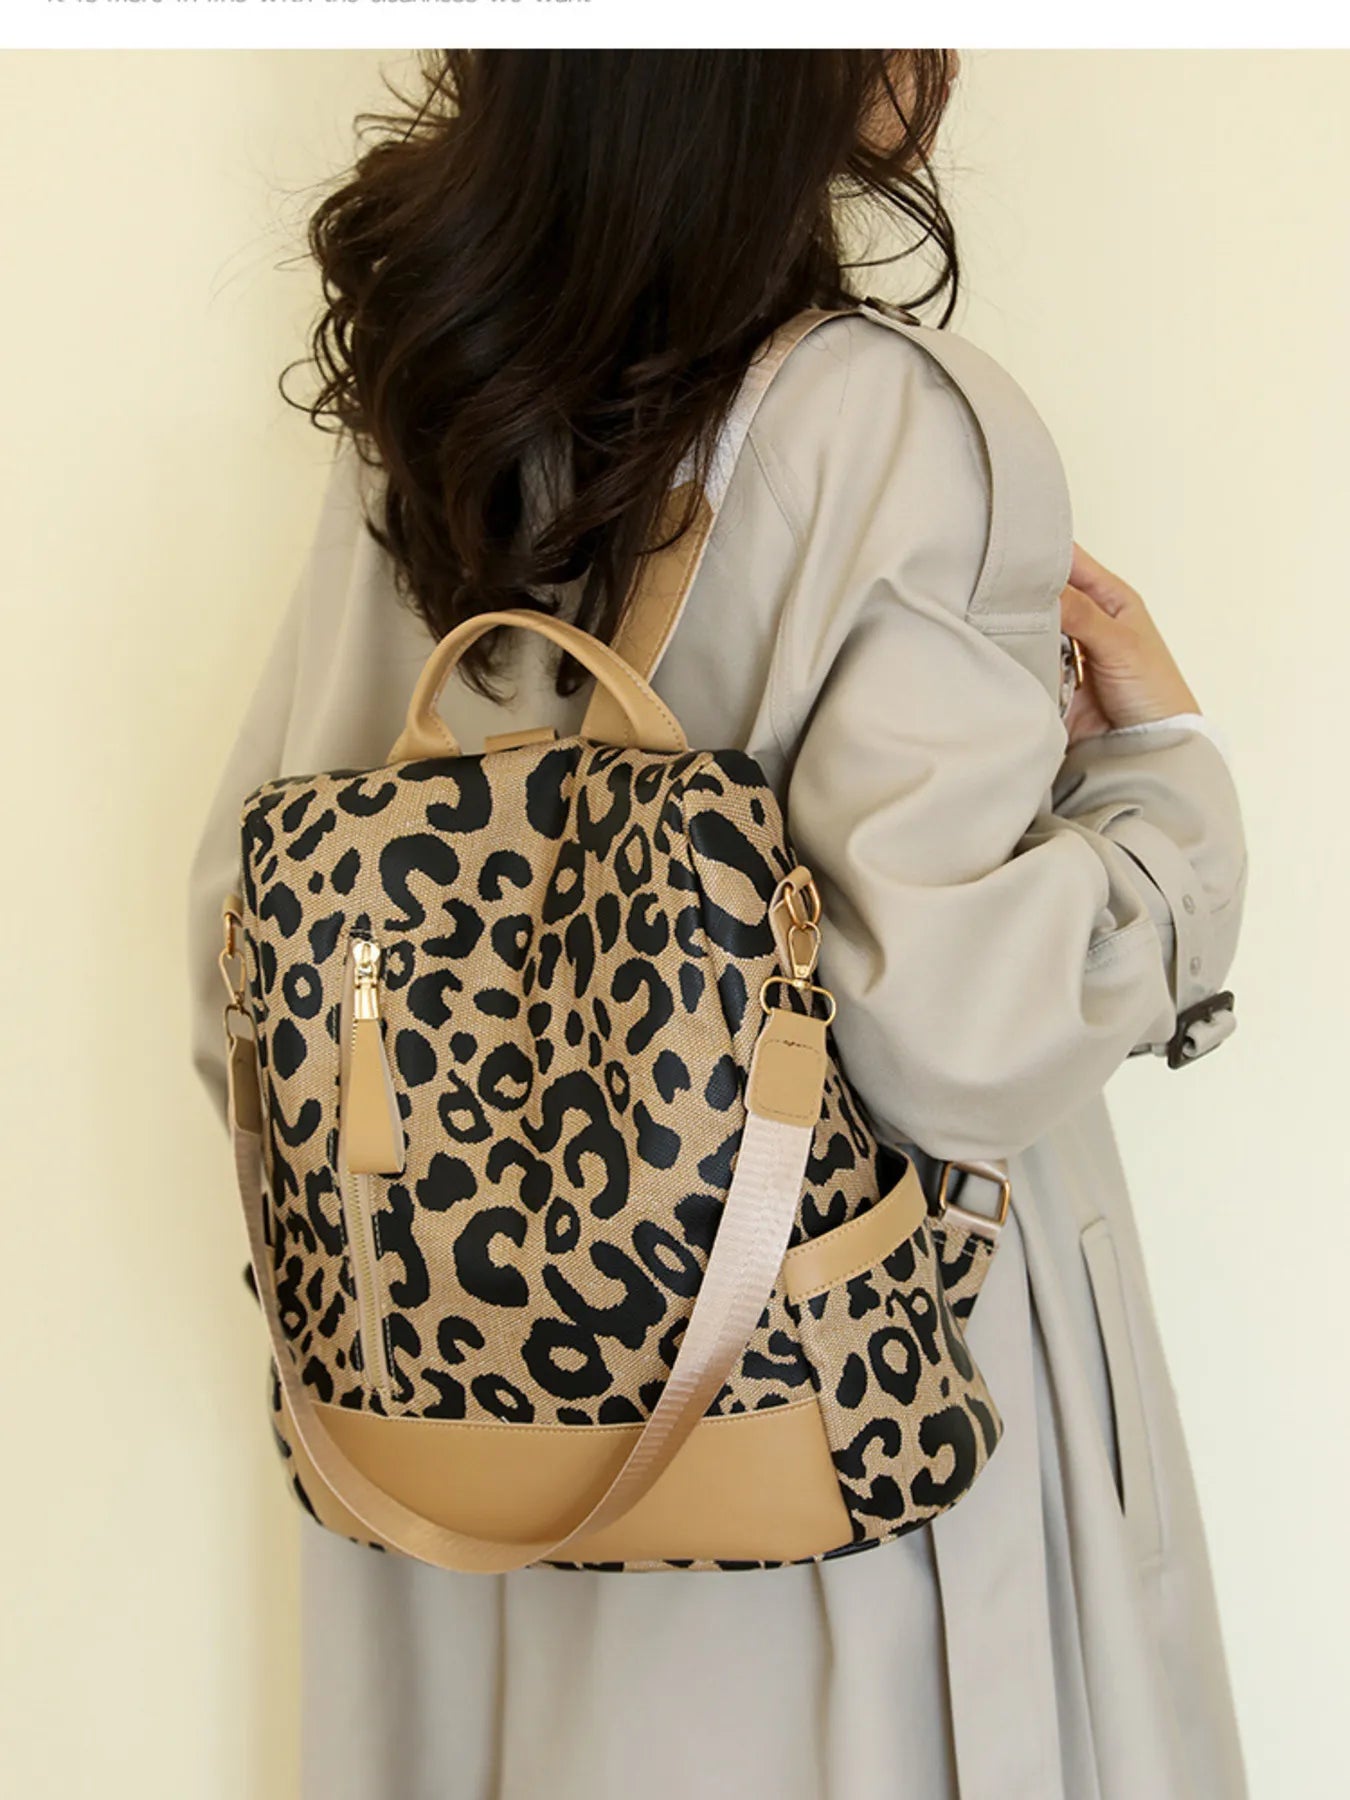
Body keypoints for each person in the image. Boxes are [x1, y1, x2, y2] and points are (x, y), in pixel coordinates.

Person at [188, 49, 1248, 1800]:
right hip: (816, 1427)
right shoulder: (890, 419)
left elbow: (246, 959)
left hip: (449, 1455)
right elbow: (954, 1029)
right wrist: (1161, 791)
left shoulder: (432, 401)